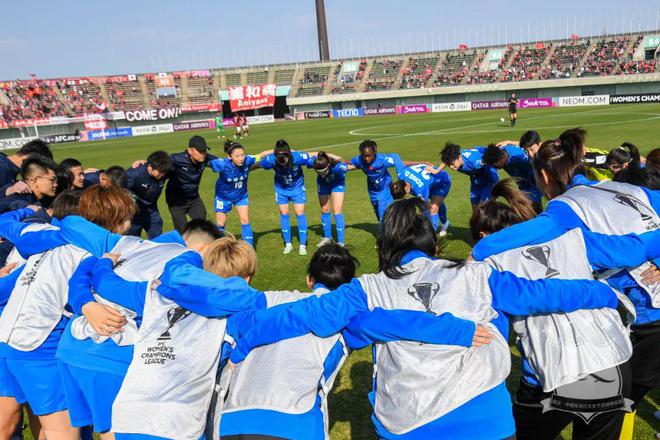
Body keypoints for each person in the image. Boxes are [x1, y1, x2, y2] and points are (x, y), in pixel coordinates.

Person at [228, 198, 624, 440]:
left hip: (409, 421)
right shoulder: (477, 275)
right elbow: (545, 293)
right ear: (432, 241)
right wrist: (604, 293)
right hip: (484, 418)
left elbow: (304, 315)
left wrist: (247, 338)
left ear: (386, 244)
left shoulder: (366, 288)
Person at [470, 128, 660, 437]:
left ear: (544, 176)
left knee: (610, 401)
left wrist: (479, 251)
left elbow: (621, 249)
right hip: (631, 327)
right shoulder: (624, 188)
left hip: (642, 319)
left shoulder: (565, 210)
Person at [218, 243, 494, 440]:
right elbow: (397, 322)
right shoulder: (347, 320)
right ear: (350, 285)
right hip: (294, 422)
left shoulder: (267, 300)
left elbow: (232, 317)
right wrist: (459, 330)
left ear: (309, 279)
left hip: (229, 420)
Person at [51, 217, 223, 440]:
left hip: (70, 348)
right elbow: (136, 296)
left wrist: (85, 302)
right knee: (114, 432)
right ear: (205, 250)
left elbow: (74, 233)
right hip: (111, 355)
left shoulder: (130, 243)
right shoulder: (186, 266)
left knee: (66, 431)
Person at [0, 185, 137, 440]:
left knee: (5, 427)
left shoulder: (47, 236)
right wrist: (88, 304)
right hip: (39, 346)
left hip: (6, 339)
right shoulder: (94, 253)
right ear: (116, 221)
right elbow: (80, 286)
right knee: (61, 432)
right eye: (129, 218)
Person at [259, 140, 317, 255]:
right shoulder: (270, 160)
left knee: (300, 213)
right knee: (284, 214)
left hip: (297, 189)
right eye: (279, 160)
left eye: (284, 160)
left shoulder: (297, 157)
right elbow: (258, 162)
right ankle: (288, 244)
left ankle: (302, 245)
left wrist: (330, 156)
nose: (283, 163)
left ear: (289, 154)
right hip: (281, 190)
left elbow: (313, 154)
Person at [209, 142, 271, 247]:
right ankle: (218, 249)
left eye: (242, 155)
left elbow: (262, 155)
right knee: (220, 224)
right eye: (237, 156)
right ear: (230, 157)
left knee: (245, 220)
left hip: (241, 197)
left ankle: (249, 249)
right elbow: (206, 161)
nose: (241, 158)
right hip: (223, 198)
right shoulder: (222, 164)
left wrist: (282, 151)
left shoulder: (248, 160)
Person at [348, 140, 414, 222]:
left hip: (385, 188)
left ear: (375, 152)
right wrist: (336, 161)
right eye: (364, 156)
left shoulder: (382, 160)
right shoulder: (359, 159)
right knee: (378, 213)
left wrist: (401, 175)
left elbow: (395, 157)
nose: (367, 158)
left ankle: (390, 229)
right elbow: (349, 162)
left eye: (369, 155)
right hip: (372, 190)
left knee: (383, 215)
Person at [165, 135, 218, 232]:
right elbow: (158, 162)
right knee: (182, 230)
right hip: (176, 201)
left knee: (202, 225)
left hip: (194, 198)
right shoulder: (177, 159)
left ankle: (199, 241)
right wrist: (144, 162)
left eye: (204, 151)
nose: (203, 154)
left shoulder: (206, 158)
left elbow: (222, 163)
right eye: (200, 151)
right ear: (190, 151)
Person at [390, 163, 452, 236]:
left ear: (406, 186)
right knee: (437, 202)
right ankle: (445, 222)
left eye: (405, 193)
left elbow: (423, 208)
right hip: (430, 181)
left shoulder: (420, 188)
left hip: (442, 181)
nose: (406, 195)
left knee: (433, 208)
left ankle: (431, 236)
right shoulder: (401, 175)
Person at [126, 151, 173, 239]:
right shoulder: (134, 174)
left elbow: (179, 159)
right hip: (133, 215)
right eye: (160, 172)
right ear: (150, 167)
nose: (163, 174)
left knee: (157, 238)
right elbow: (114, 185)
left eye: (164, 171)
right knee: (132, 242)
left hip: (151, 211)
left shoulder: (164, 170)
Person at [482, 144, 543, 211]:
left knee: (533, 208)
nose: (496, 169)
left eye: (496, 166)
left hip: (534, 184)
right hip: (524, 186)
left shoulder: (520, 157)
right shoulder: (498, 153)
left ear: (501, 159)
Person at [439, 142, 499, 210]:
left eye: (452, 164)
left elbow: (490, 153)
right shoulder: (454, 155)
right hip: (476, 183)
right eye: (449, 165)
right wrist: (437, 170)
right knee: (475, 210)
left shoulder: (475, 162)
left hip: (489, 182)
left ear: (459, 157)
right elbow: (445, 161)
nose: (451, 167)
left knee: (483, 210)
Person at [311, 152, 349, 246]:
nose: (322, 174)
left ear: (328, 166)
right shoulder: (313, 162)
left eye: (324, 171)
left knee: (337, 210)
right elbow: (312, 154)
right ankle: (327, 238)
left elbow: (351, 166)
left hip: (337, 183)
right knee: (325, 209)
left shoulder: (337, 167)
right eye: (319, 172)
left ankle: (341, 242)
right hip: (323, 183)